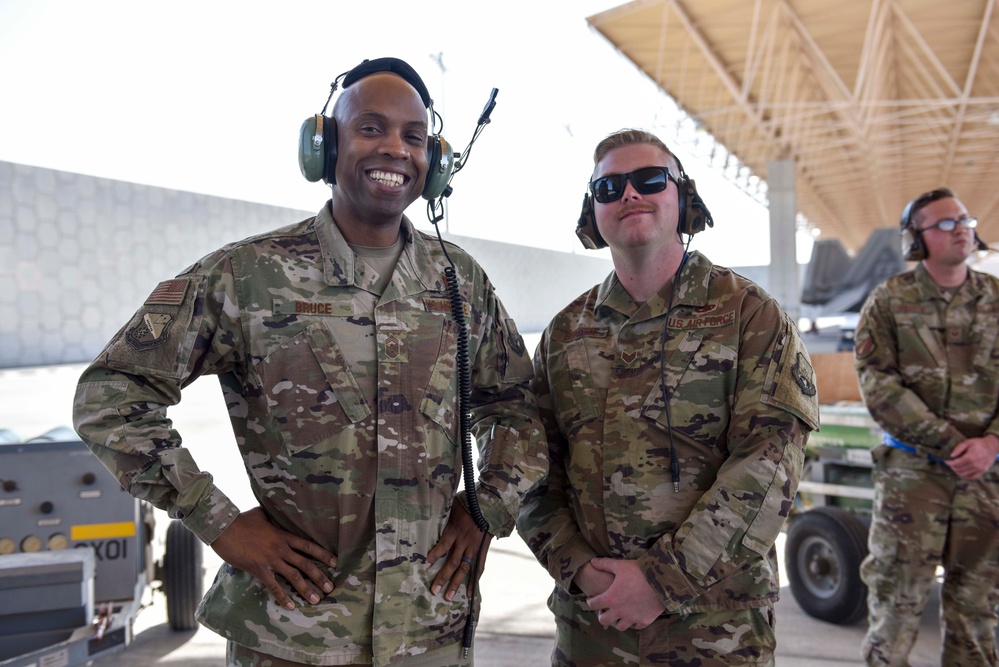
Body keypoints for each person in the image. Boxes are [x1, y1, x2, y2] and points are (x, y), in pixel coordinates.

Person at [72, 56, 546, 667]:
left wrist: (488, 507)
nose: (395, 148)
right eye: (370, 128)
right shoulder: (246, 275)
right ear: (324, 146)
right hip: (293, 635)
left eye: (414, 136)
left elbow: (516, 408)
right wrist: (215, 519)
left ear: (435, 162)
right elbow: (111, 396)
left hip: (428, 630)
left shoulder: (460, 281)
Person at [516, 128, 820, 666]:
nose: (629, 194)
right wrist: (580, 570)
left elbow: (769, 468)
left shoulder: (749, 315)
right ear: (594, 211)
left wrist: (660, 581)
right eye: (608, 188)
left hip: (714, 638)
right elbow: (534, 472)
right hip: (592, 633)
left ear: (683, 198)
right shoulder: (565, 335)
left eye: (649, 180)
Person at [854, 187, 999, 666]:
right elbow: (879, 388)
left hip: (987, 479)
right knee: (894, 610)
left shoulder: (997, 298)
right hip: (912, 479)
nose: (961, 228)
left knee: (977, 613)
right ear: (916, 240)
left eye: (964, 219)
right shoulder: (889, 301)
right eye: (944, 223)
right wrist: (958, 445)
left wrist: (992, 444)